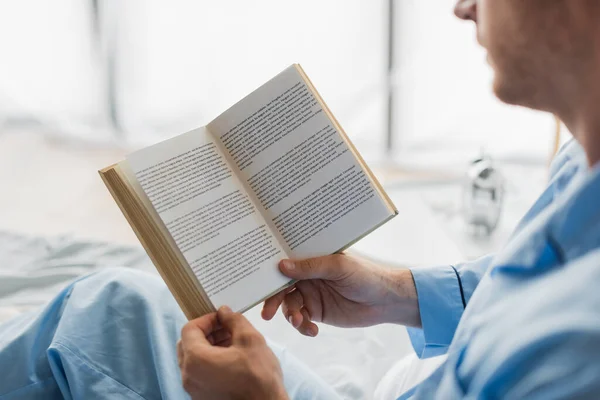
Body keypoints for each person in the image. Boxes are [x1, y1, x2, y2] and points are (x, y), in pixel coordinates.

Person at [2, 0, 600, 398]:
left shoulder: (580, 340)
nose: (464, 6)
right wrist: (397, 294)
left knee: (103, 314)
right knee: (116, 307)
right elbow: (522, 285)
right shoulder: (583, 160)